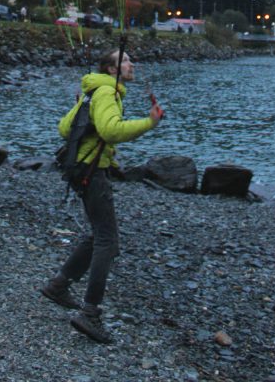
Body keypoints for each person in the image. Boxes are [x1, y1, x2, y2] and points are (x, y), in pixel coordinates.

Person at [41, 47, 163, 344]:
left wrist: (85, 116)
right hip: (91, 173)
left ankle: (58, 285)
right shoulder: (107, 94)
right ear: (112, 70)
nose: (131, 63)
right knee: (108, 241)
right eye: (125, 61)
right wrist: (149, 123)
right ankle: (90, 312)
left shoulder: (93, 91)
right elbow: (110, 131)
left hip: (80, 169)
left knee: (97, 235)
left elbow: (63, 128)